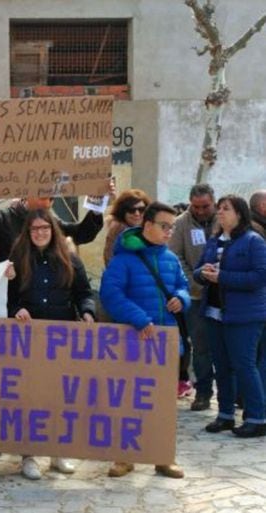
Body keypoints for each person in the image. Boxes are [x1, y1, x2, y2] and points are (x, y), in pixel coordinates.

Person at [1, 209, 96, 481]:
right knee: (30, 398)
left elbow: (83, 293)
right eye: (34, 229)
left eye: (45, 228)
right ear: (27, 233)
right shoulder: (16, 261)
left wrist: (88, 311)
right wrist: (16, 309)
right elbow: (6, 297)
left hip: (61, 340)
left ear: (53, 230)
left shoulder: (71, 260)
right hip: (27, 340)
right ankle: (29, 456)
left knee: (58, 398)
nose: (40, 233)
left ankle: (57, 453)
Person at [100, 201, 189, 479]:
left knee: (163, 405)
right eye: (164, 226)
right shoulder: (123, 259)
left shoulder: (171, 259)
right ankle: (124, 458)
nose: (169, 232)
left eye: (172, 227)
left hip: (166, 344)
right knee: (128, 403)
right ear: (147, 225)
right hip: (133, 341)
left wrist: (181, 300)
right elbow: (111, 294)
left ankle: (163, 458)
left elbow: (183, 287)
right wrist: (139, 318)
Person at [195, 195, 266, 438]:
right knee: (222, 366)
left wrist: (222, 277)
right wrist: (203, 273)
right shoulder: (215, 240)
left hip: (244, 315)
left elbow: (259, 278)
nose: (220, 212)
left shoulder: (253, 241)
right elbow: (199, 268)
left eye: (226, 209)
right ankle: (225, 415)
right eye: (220, 208)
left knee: (244, 366)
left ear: (240, 214)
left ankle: (257, 418)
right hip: (215, 313)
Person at [0, 178, 110, 262]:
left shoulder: (53, 222)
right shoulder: (5, 217)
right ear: (28, 194)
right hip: (13, 292)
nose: (48, 203)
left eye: (52, 199)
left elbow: (81, 234)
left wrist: (96, 206)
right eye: (44, 197)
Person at [169, 184, 217, 409]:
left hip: (224, 293)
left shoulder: (225, 219)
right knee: (200, 346)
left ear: (213, 202)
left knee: (228, 346)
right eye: (195, 206)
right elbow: (176, 256)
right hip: (196, 295)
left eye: (205, 206)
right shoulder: (181, 224)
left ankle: (236, 394)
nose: (200, 211)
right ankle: (203, 392)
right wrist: (194, 279)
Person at [103, 189, 151, 265]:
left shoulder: (149, 229)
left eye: (141, 209)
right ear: (122, 211)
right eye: (131, 210)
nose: (137, 214)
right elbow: (110, 260)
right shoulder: (118, 230)